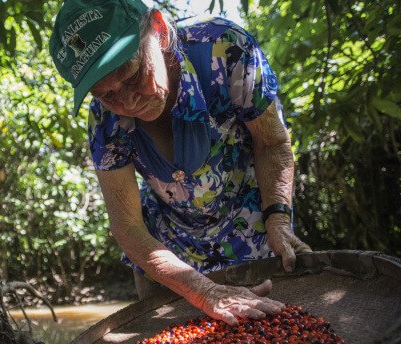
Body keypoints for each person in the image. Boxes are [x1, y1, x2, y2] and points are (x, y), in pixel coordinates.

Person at [49, 0, 312, 325]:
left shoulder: (225, 50)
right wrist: (202, 290)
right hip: (169, 254)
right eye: (107, 94)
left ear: (158, 31)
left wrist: (278, 220)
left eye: (132, 76)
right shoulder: (105, 122)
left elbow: (271, 143)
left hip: (250, 227)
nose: (128, 101)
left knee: (270, 332)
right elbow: (127, 226)